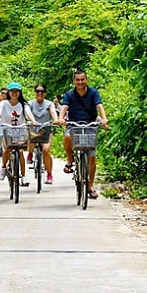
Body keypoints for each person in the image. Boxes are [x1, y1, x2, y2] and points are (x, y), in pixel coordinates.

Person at [56, 70, 109, 199]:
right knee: (68, 137)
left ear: (86, 80)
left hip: (90, 125)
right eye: (77, 80)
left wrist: (104, 119)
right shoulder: (69, 95)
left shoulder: (93, 93)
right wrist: (61, 118)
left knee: (91, 157)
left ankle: (90, 186)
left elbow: (99, 105)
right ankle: (70, 159)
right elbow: (64, 107)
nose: (80, 82)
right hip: (74, 124)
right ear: (74, 81)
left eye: (82, 79)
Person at [0, 82, 36, 186]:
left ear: (20, 93)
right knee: (7, 148)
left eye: (17, 91)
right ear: (9, 92)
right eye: (12, 91)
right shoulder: (3, 103)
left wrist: (33, 121)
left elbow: (28, 113)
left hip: (20, 131)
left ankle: (23, 177)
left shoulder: (23, 104)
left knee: (20, 152)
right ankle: (3, 166)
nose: (14, 93)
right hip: (6, 130)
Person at [27, 84, 59, 184]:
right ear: (35, 92)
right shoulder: (30, 103)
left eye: (42, 91)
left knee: (46, 150)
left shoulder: (49, 104)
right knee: (31, 138)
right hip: (34, 129)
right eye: (37, 91)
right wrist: (32, 120)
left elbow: (53, 112)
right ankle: (30, 153)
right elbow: (28, 112)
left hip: (46, 130)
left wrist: (56, 120)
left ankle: (49, 174)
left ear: (45, 93)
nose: (39, 93)